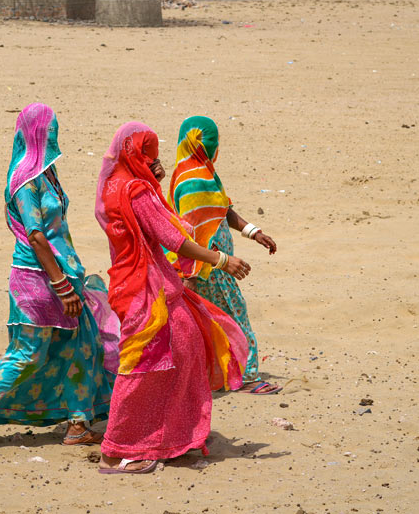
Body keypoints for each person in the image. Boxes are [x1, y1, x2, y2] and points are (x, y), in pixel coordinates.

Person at [0, 103, 117, 455]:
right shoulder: (24, 179)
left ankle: (79, 423)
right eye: (50, 128)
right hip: (38, 282)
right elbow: (36, 235)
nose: (54, 134)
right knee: (27, 354)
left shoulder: (48, 173)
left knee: (81, 345)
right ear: (36, 132)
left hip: (65, 276)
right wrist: (61, 284)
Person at [94, 122, 249, 474]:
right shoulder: (135, 191)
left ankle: (165, 437)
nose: (154, 160)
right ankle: (119, 447)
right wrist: (222, 260)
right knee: (148, 363)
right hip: (145, 288)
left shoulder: (117, 184)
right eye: (150, 154)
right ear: (139, 155)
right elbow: (172, 236)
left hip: (138, 283)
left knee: (182, 347)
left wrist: (154, 182)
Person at [169, 116, 281, 395]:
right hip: (211, 267)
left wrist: (253, 232)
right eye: (211, 141)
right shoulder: (192, 180)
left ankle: (210, 376)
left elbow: (224, 210)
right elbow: (189, 231)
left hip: (212, 264)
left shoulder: (202, 173)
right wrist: (193, 271)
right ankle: (246, 376)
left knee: (207, 319)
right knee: (234, 314)